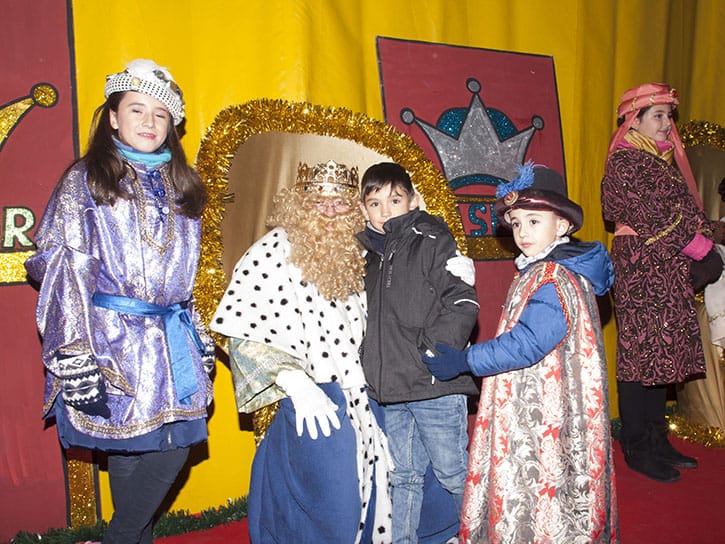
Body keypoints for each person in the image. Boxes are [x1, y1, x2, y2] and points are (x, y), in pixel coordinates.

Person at [25, 59, 214, 544]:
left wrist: (201, 336)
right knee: (129, 453)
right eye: (136, 109)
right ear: (113, 117)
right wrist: (74, 356)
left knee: (168, 449)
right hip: (112, 342)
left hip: (173, 342)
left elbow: (195, 275)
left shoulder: (184, 186)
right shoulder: (86, 179)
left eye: (160, 114)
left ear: (172, 125)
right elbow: (65, 271)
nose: (149, 122)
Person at [423, 163, 618, 543]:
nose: (523, 232)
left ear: (562, 226)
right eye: (516, 224)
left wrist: (465, 360)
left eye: (533, 221)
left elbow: (527, 344)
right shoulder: (545, 269)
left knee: (544, 476)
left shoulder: (554, 277)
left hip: (548, 408)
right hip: (547, 397)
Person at [601, 83, 724, 482]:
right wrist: (705, 249)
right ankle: (637, 445)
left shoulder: (659, 160)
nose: (667, 123)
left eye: (669, 116)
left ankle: (656, 438)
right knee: (640, 358)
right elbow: (656, 218)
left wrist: (714, 235)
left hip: (666, 267)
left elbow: (688, 216)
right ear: (632, 121)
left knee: (662, 354)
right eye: (658, 115)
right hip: (641, 269)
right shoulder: (625, 162)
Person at [356, 162, 480, 544]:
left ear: (413, 200)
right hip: (393, 390)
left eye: (395, 200)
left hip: (434, 385)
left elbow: (462, 300)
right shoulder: (369, 257)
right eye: (375, 203)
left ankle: (486, 534)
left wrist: (433, 352)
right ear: (363, 209)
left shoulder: (431, 237)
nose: (385, 211)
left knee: (453, 472)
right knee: (404, 476)